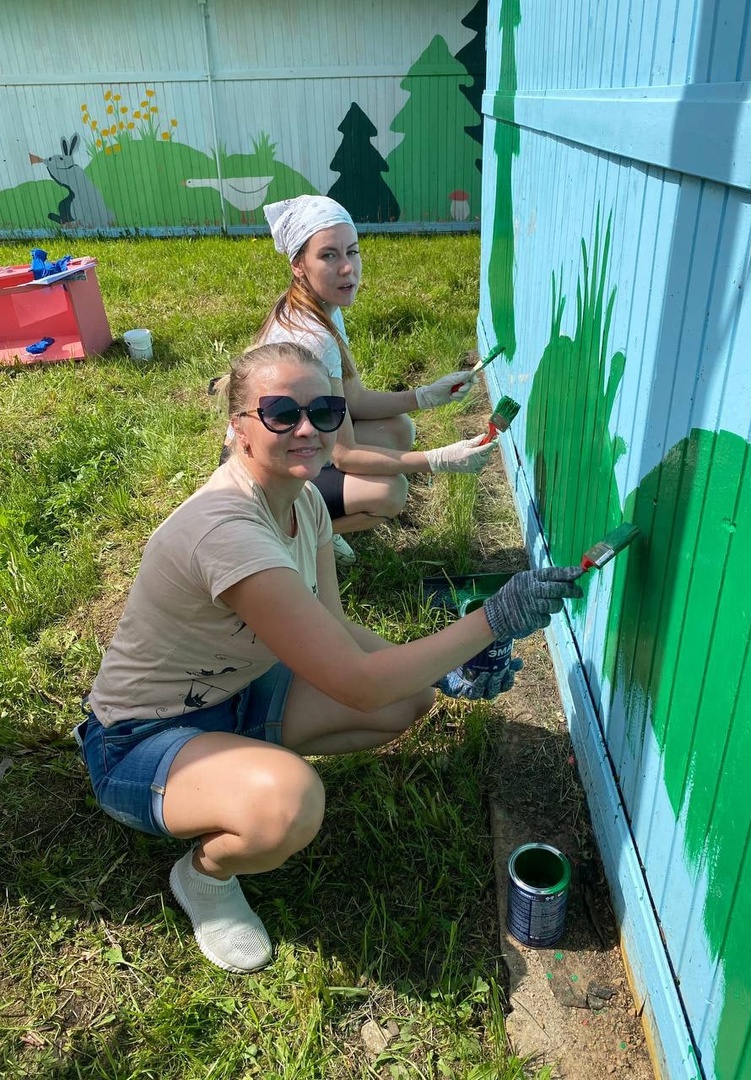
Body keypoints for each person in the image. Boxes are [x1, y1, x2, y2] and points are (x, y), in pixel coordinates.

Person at [75, 341, 582, 974]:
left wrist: (442, 668)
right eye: (282, 412)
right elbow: (356, 683)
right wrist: (491, 622)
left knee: (411, 695)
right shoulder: (226, 531)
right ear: (238, 428)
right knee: (288, 803)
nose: (308, 428)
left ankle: (235, 775)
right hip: (139, 738)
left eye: (325, 409)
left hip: (239, 694)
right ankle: (205, 874)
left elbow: (338, 628)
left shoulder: (305, 501)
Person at [219, 194, 496, 567]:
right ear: (298, 264)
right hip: (263, 480)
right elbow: (343, 452)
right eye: (329, 255)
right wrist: (438, 460)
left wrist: (425, 396)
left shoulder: (318, 308)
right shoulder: (313, 336)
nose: (348, 268)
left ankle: (314, 515)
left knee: (397, 429)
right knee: (390, 491)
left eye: (352, 251)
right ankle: (301, 532)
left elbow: (352, 398)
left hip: (274, 450)